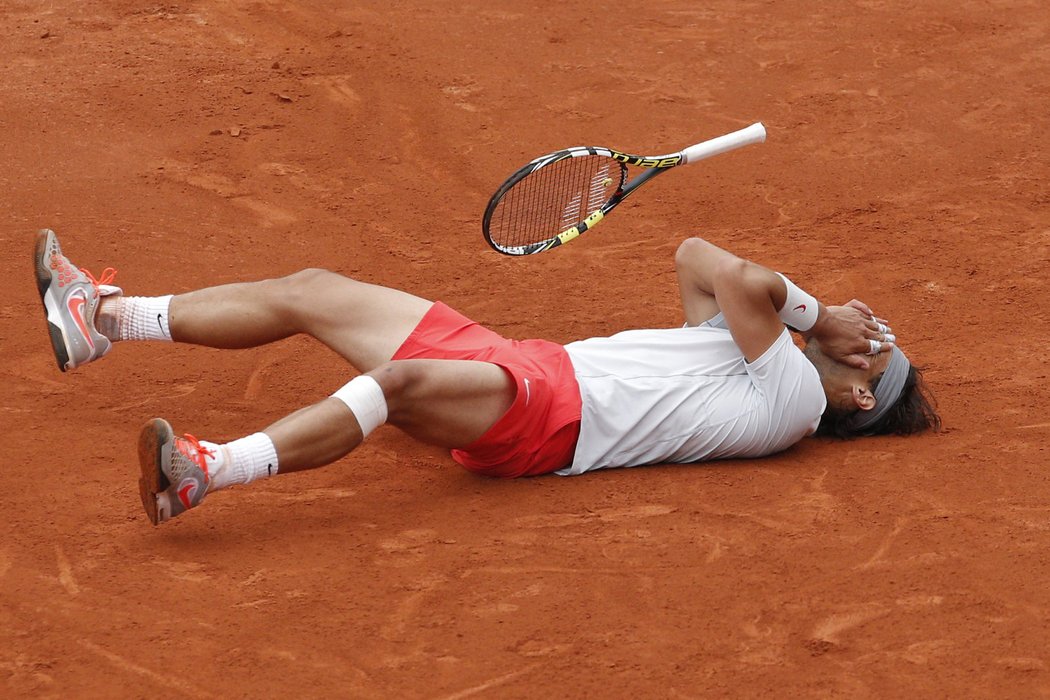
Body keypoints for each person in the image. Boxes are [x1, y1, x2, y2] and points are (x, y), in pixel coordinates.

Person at [33, 228, 939, 525]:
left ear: (858, 398)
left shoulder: (787, 399)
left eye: (876, 357)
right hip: (526, 363)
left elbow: (748, 280)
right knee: (314, 292)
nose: (867, 340)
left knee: (395, 383)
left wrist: (822, 317)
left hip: (547, 421)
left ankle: (206, 469)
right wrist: (806, 321)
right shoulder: (749, 358)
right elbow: (698, 255)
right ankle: (104, 321)